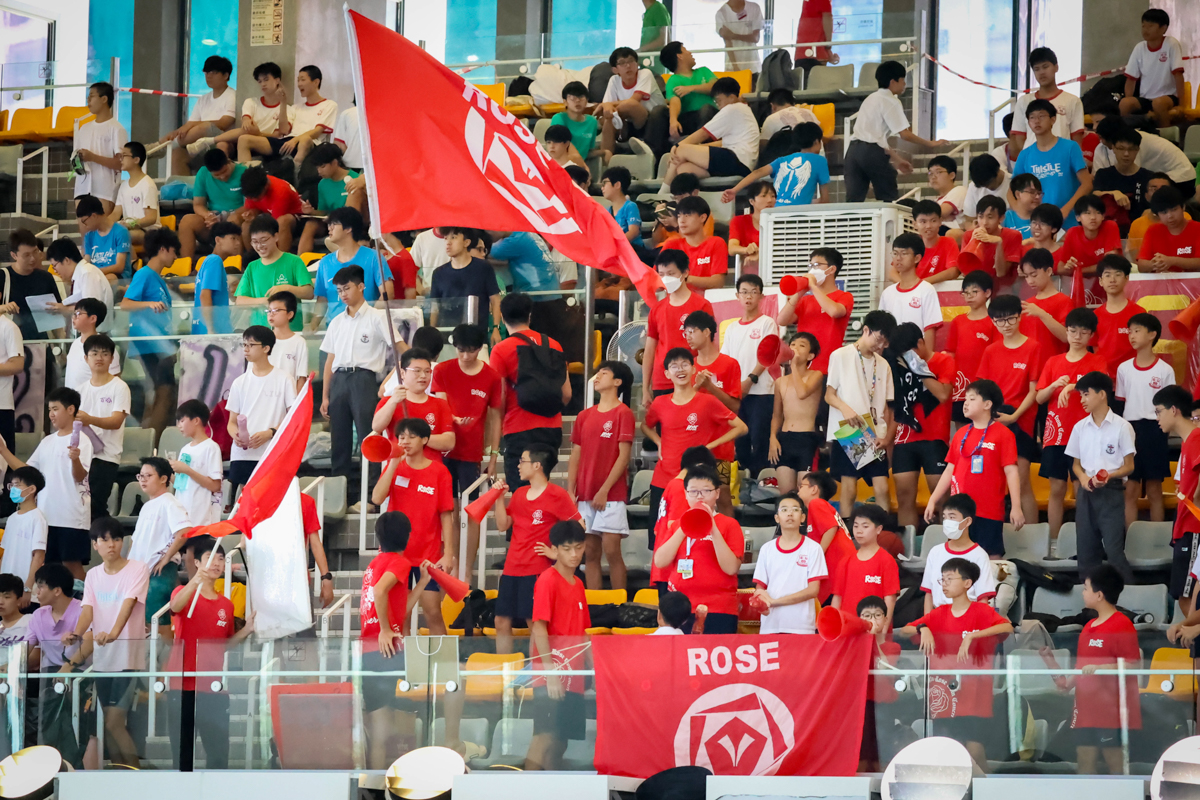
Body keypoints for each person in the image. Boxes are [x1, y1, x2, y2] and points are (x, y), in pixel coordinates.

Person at [898, 557, 1013, 772]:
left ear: (967, 583)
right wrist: (923, 628)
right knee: (948, 751)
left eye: (950, 579)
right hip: (945, 695)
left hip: (974, 693)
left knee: (975, 750)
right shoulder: (939, 613)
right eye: (942, 580)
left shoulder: (981, 611)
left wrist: (973, 636)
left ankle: (983, 788)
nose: (944, 584)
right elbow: (905, 630)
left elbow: (1007, 628)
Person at [68, 517, 149, 769]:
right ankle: (119, 775)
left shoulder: (137, 569)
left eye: (116, 539)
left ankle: (135, 775)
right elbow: (88, 610)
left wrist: (113, 633)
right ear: (95, 545)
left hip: (128, 658)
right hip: (103, 660)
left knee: (114, 721)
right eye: (104, 539)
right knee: (109, 723)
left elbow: (129, 603)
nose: (111, 544)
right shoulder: (93, 575)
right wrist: (76, 633)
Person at [166, 537, 253, 770]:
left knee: (218, 757)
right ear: (196, 562)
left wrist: (247, 630)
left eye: (221, 558)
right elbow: (175, 606)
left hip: (214, 689)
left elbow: (222, 644)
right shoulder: (182, 592)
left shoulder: (226, 605)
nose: (216, 563)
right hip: (182, 687)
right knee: (182, 758)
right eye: (210, 557)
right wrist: (195, 582)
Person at [1047, 564, 1142, 775]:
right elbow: (1080, 669)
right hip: (1085, 709)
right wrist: (1054, 667)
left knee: (1115, 763)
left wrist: (1100, 668)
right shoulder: (1088, 627)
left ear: (1099, 595)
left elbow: (1133, 664)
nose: (1082, 592)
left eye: (1086, 588)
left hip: (1111, 710)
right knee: (1084, 761)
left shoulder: (1122, 624)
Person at [643, 349, 746, 537]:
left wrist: (709, 447)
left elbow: (741, 427)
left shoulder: (708, 401)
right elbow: (645, 426)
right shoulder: (659, 403)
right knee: (659, 538)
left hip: (696, 484)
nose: (680, 369)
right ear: (667, 374)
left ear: (693, 369)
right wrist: (659, 442)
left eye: (685, 364)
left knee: (695, 538)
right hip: (663, 479)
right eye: (674, 366)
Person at [492, 446, 581, 653]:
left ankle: (540, 668)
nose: (518, 466)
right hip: (512, 566)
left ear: (537, 465)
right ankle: (506, 669)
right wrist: (499, 498)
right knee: (501, 621)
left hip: (536, 569)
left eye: (522, 461)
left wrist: (556, 553)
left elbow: (578, 527)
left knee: (534, 623)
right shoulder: (519, 493)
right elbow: (503, 525)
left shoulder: (557, 494)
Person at [430, 324, 502, 581]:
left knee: (471, 513)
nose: (465, 356)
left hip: (471, 454)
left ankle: (467, 570)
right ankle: (450, 565)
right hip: (444, 451)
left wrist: (493, 456)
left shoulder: (491, 377)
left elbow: (495, 418)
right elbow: (439, 406)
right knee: (448, 511)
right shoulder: (442, 370)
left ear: (480, 349)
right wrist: (454, 419)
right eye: (460, 350)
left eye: (470, 351)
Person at [320, 266, 396, 506]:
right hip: (339, 380)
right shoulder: (336, 322)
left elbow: (399, 350)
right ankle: (338, 499)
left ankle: (371, 497)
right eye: (339, 290)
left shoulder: (377, 317)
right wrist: (325, 396)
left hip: (364, 379)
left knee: (368, 437)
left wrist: (388, 381)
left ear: (361, 286)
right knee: (339, 441)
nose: (343, 294)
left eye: (347, 288)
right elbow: (330, 361)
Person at [371, 419, 455, 636]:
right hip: (397, 555)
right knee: (401, 615)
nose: (405, 441)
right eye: (401, 437)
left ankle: (443, 658)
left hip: (429, 553)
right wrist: (392, 464)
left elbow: (446, 514)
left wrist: (448, 553)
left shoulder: (439, 472)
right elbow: (377, 498)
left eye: (411, 437)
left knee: (433, 612)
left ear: (425, 440)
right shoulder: (394, 467)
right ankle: (404, 657)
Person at [359, 512, 429, 769]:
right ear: (407, 537)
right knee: (395, 729)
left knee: (380, 733)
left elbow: (401, 610)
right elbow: (380, 591)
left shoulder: (374, 564)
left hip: (368, 653)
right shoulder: (399, 562)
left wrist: (422, 583)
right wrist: (386, 630)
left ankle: (375, 785)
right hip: (387, 652)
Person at [0, 388, 92, 582]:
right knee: (48, 566)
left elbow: (80, 477)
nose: (51, 414)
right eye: (49, 409)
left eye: (55, 409)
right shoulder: (47, 442)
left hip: (71, 516)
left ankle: (87, 599)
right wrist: (3, 450)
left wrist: (75, 459)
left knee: (71, 564)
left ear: (70, 409)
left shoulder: (83, 441)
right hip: (46, 514)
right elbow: (27, 472)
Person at [925, 382, 1024, 556]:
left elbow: (1011, 472)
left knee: (991, 556)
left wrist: (1016, 506)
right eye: (965, 399)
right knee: (959, 556)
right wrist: (933, 500)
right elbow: (949, 470)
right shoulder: (960, 434)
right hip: (960, 511)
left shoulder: (1004, 434)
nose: (965, 403)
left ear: (987, 404)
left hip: (989, 510)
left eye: (972, 399)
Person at [1035, 307, 1107, 540]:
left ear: (1091, 335)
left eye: (1083, 332)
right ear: (1066, 332)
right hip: (1056, 434)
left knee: (1082, 489)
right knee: (1056, 488)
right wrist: (1054, 385)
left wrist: (1073, 386)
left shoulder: (1096, 361)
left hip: (1086, 434)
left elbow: (1103, 390)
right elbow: (1039, 398)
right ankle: (1054, 542)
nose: (1077, 336)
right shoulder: (1053, 362)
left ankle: (1084, 540)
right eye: (1073, 331)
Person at [525, 519, 590, 770]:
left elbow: (583, 634)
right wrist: (550, 672)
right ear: (555, 549)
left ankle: (550, 787)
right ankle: (524, 787)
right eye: (567, 548)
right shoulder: (547, 580)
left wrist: (596, 669)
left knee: (561, 741)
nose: (574, 554)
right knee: (544, 736)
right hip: (551, 673)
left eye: (578, 547)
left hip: (574, 674)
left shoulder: (579, 584)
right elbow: (539, 627)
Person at [489, 293, 571, 489]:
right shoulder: (554, 345)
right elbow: (567, 393)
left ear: (502, 317)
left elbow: (498, 400)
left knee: (521, 493)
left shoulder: (501, 350)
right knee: (542, 488)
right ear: (529, 315)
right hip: (551, 428)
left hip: (518, 428)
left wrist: (494, 445)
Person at [568, 361, 635, 591]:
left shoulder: (623, 413)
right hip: (585, 493)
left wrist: (604, 490)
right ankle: (595, 604)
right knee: (590, 552)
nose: (597, 377)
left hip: (611, 494)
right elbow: (576, 454)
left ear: (617, 382)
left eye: (603, 373)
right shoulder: (584, 415)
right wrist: (571, 489)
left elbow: (623, 456)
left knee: (612, 551)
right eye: (597, 373)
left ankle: (620, 603)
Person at [975, 294, 1040, 528]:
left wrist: (1014, 416)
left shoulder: (1033, 347)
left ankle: (1032, 537)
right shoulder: (990, 351)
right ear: (993, 322)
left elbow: (1034, 390)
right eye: (1000, 321)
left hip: (1021, 421)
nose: (1006, 325)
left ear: (1020, 317)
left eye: (1011, 318)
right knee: (993, 483)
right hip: (994, 422)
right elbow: (982, 390)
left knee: (1021, 482)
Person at [654, 465, 743, 634]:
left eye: (706, 491)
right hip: (681, 609)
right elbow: (660, 561)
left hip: (719, 607)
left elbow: (731, 568)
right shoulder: (677, 525)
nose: (700, 496)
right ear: (686, 494)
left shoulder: (729, 524)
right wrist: (686, 525)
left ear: (717, 493)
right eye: (693, 491)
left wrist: (711, 526)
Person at [825, 309, 896, 517]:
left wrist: (885, 436)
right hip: (851, 429)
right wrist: (845, 408)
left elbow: (888, 406)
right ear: (866, 330)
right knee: (849, 488)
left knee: (882, 487)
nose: (880, 346)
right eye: (879, 339)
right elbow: (829, 395)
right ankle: (847, 529)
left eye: (885, 343)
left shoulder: (883, 364)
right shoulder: (840, 355)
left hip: (874, 431)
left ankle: (883, 529)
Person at [844, 61, 947, 203]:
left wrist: (897, 159)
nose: (904, 84)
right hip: (870, 152)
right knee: (888, 196)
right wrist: (930, 143)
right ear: (893, 82)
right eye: (902, 80)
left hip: (852, 152)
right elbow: (905, 134)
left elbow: (875, 138)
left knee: (853, 201)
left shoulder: (870, 98)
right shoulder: (891, 101)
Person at [1067, 371, 1136, 581]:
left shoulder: (1122, 426)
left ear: (1102, 394)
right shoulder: (1079, 427)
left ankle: (1128, 595)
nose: (1082, 400)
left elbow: (1129, 466)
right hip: (1086, 492)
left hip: (1111, 491)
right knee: (1086, 551)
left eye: (1086, 394)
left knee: (1114, 552)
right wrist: (1083, 479)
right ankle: (1089, 597)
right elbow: (1076, 465)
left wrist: (1109, 476)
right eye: (1081, 395)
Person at [889, 323, 954, 529]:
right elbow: (895, 405)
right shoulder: (899, 365)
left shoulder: (944, 360)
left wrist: (921, 370)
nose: (908, 358)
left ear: (920, 342)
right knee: (904, 496)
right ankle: (908, 545)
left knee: (941, 496)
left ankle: (947, 542)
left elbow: (943, 394)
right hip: (905, 436)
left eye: (910, 352)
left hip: (934, 438)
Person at [226, 326, 297, 501]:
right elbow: (231, 422)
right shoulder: (239, 382)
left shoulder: (284, 379)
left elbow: (293, 418)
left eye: (251, 345)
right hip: (243, 454)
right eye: (244, 345)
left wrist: (270, 433)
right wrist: (236, 435)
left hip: (272, 451)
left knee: (270, 500)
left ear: (266, 348)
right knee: (244, 502)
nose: (246, 349)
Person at [1116, 313, 1174, 526]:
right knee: (1130, 488)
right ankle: (1129, 539)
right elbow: (1121, 402)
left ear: (1152, 335)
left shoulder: (1165, 370)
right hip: (1130, 430)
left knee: (1154, 489)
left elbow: (1169, 408)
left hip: (1155, 430)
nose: (1131, 335)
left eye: (1137, 331)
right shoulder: (1124, 369)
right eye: (1130, 331)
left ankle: (1157, 538)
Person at [684, 310, 741, 515]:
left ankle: (728, 533)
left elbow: (735, 407)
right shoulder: (687, 367)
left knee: (723, 495)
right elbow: (682, 405)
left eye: (692, 331)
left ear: (707, 332)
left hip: (721, 444)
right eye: (685, 333)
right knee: (692, 496)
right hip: (692, 443)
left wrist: (710, 387)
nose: (688, 337)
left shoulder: (729, 364)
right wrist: (697, 387)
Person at [721, 275, 779, 477]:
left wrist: (749, 380)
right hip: (737, 394)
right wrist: (732, 387)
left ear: (761, 296)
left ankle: (761, 482)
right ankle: (743, 484)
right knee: (740, 442)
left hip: (761, 392)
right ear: (737, 296)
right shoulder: (732, 328)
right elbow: (726, 361)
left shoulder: (767, 323)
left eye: (754, 292)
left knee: (759, 440)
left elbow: (768, 355)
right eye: (744, 292)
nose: (748, 296)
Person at [641, 250, 714, 409]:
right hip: (663, 380)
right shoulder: (656, 310)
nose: (665, 278)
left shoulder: (702, 305)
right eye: (661, 274)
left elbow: (709, 346)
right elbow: (650, 350)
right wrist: (645, 388)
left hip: (692, 379)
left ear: (685, 273)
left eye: (671, 273)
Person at [127, 457, 192, 629]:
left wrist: (166, 558)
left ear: (163, 478)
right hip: (140, 571)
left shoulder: (170, 503)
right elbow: (135, 540)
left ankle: (171, 648)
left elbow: (184, 531)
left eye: (148, 476)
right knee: (142, 622)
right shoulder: (146, 506)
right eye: (140, 476)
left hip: (159, 570)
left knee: (159, 622)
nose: (143, 480)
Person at [659, 77, 758, 186]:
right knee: (683, 169)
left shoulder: (732, 109)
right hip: (741, 165)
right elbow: (723, 143)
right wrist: (694, 148)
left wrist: (677, 146)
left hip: (738, 160)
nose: (718, 105)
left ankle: (662, 193)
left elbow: (703, 133)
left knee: (681, 150)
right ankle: (683, 194)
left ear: (731, 98)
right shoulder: (743, 110)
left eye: (719, 101)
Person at [752, 492, 827, 634]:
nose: (790, 514)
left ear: (803, 517)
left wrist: (775, 602)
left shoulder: (813, 548)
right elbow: (760, 588)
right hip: (771, 625)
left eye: (795, 509)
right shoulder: (767, 549)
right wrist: (760, 601)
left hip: (801, 626)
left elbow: (813, 590)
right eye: (784, 509)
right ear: (777, 518)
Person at [1154, 386, 1200, 617]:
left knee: (1187, 596)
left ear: (1173, 410)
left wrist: (1196, 503)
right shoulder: (1187, 441)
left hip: (1194, 526)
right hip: (1184, 524)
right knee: (1184, 597)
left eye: (1159, 411)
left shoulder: (1196, 438)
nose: (1157, 418)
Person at [76, 334, 131, 524]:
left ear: (112, 358)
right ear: (86, 358)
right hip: (82, 455)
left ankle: (106, 538)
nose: (99, 357)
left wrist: (89, 419)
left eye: (105, 353)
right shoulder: (80, 390)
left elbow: (116, 421)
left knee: (96, 505)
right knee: (80, 506)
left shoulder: (120, 387)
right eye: (94, 353)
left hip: (106, 455)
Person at [1013, 99, 1091, 229]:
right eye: (1032, 117)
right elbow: (1012, 190)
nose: (1036, 121)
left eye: (1041, 116)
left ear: (1053, 119)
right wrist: (1021, 213)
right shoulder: (1025, 155)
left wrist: (1065, 210)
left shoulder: (1070, 147)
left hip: (1070, 223)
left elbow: (1087, 184)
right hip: (1039, 226)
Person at [237, 64, 337, 165]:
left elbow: (317, 131)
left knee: (305, 139)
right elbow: (284, 130)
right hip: (287, 141)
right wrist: (283, 102)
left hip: (311, 143)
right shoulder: (295, 107)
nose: (299, 84)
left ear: (316, 82)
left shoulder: (329, 105)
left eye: (303, 80)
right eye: (298, 80)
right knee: (244, 139)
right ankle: (246, 173)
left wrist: (295, 140)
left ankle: (296, 169)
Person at [374, 348, 455, 468]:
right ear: (402, 374)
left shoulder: (440, 404)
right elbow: (376, 426)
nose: (423, 376)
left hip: (431, 470)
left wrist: (419, 439)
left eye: (427, 371)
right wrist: (393, 401)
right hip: (398, 469)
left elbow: (449, 442)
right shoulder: (389, 401)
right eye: (417, 371)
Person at [777, 247, 853, 375]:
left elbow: (834, 311)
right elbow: (781, 320)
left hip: (830, 368)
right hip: (803, 368)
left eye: (817, 265)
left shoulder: (844, 296)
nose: (812, 270)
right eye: (811, 265)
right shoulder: (805, 300)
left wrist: (813, 287)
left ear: (832, 269)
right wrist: (800, 292)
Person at [311, 207, 388, 327]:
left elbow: (387, 293)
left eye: (334, 224)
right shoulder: (325, 263)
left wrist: (370, 319)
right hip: (336, 329)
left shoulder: (373, 257)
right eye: (329, 224)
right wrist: (312, 326)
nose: (329, 228)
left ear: (348, 228)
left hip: (366, 327)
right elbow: (322, 300)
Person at [721, 122, 829, 207]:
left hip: (774, 212)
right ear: (816, 141)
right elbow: (824, 200)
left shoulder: (783, 159)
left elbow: (757, 172)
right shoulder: (820, 161)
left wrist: (734, 190)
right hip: (797, 217)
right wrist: (806, 202)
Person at [235, 214, 313, 330]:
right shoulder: (252, 267)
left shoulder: (294, 261)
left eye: (264, 240)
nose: (259, 246)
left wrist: (286, 288)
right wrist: (264, 302)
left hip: (289, 331)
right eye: (255, 242)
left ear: (276, 236)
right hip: (260, 331)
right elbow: (240, 300)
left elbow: (309, 292)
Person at [160, 55, 236, 173]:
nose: (208, 76)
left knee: (205, 127)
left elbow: (224, 123)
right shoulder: (203, 99)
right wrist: (177, 132)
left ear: (226, 75)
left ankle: (165, 146)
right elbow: (190, 124)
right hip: (200, 144)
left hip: (223, 140)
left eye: (213, 72)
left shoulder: (232, 95)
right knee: (177, 155)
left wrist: (193, 126)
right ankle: (183, 185)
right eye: (206, 73)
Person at [769, 332, 822, 494]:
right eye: (792, 345)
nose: (795, 348)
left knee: (806, 492)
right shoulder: (780, 382)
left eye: (802, 345)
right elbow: (777, 415)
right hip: (785, 439)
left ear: (810, 355)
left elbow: (802, 392)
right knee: (786, 493)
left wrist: (794, 366)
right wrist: (773, 438)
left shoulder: (816, 375)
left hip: (806, 439)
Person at [428, 227, 502, 341]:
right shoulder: (439, 273)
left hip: (477, 336)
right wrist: (432, 332)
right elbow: (435, 307)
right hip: (447, 335)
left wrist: (496, 328)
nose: (448, 243)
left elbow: (495, 299)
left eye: (453, 238)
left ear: (466, 242)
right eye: (446, 238)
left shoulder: (483, 268)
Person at [832, 503, 900, 625]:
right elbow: (837, 598)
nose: (859, 531)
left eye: (865, 526)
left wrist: (883, 630)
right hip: (847, 629)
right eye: (856, 526)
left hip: (874, 629)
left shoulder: (886, 560)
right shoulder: (845, 561)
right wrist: (834, 626)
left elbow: (890, 599)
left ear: (878, 529)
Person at [1009, 47, 1085, 152]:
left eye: (1045, 67)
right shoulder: (1023, 101)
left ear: (1056, 67)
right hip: (1033, 159)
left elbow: (1077, 140)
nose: (1041, 72)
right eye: (1037, 69)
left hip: (1061, 158)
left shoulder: (1072, 101)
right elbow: (1019, 137)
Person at [1119, 8, 1184, 127]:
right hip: (1146, 99)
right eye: (1143, 26)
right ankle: (1128, 133)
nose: (1145, 30)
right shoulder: (1139, 48)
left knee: (1158, 104)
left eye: (1150, 26)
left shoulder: (1171, 44)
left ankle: (1165, 133)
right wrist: (1129, 98)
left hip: (1168, 97)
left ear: (1163, 28)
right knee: (1125, 103)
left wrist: (1181, 104)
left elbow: (1178, 75)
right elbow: (1131, 79)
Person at [946, 270, 997, 422]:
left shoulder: (994, 322)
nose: (969, 296)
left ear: (987, 293)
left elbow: (997, 356)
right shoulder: (958, 321)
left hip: (983, 384)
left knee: (983, 425)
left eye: (974, 292)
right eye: (966, 293)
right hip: (960, 386)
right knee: (961, 426)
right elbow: (950, 353)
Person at [597, 47, 666, 155]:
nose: (628, 66)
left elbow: (634, 100)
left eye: (631, 61)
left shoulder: (645, 73)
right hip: (628, 123)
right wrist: (607, 108)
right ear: (615, 70)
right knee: (608, 117)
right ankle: (606, 159)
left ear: (637, 64)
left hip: (652, 120)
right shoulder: (614, 80)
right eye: (622, 63)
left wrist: (607, 105)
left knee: (629, 105)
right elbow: (607, 107)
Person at [72, 82, 126, 216]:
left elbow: (120, 164)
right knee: (84, 227)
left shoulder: (116, 128)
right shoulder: (84, 128)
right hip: (82, 188)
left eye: (92, 96)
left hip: (104, 190)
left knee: (102, 227)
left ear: (104, 99)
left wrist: (93, 157)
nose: (88, 100)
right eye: (88, 96)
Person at [880, 232, 942, 350]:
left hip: (916, 355)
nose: (898, 258)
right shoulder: (887, 293)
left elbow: (930, 331)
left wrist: (926, 360)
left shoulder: (927, 290)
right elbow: (882, 330)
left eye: (904, 253)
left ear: (917, 258)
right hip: (891, 355)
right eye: (895, 253)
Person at [298, 144, 363, 254]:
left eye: (322, 167)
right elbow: (324, 211)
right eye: (317, 167)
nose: (319, 171)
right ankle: (301, 260)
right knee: (310, 225)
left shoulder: (355, 179)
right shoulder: (322, 184)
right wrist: (312, 212)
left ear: (335, 163)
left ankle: (344, 241)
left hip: (351, 223)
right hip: (331, 222)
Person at [1091, 124, 1157, 232]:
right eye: (1121, 149)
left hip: (1141, 230)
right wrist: (1112, 193)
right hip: (1110, 230)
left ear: (1137, 150)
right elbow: (1095, 195)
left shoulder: (1149, 176)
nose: (1126, 154)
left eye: (1131, 149)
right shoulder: (1103, 174)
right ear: (1113, 148)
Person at [168, 399, 222, 529]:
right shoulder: (185, 449)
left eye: (182, 421)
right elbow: (181, 484)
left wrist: (187, 470)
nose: (179, 426)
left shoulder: (211, 447)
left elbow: (215, 485)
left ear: (196, 420)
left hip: (201, 518)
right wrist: (166, 473)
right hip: (183, 515)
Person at [660, 197, 728, 296]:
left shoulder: (716, 243)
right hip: (676, 301)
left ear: (702, 217)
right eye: (679, 216)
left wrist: (685, 278)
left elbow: (718, 282)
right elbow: (657, 279)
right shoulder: (671, 245)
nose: (682, 220)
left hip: (706, 301)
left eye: (687, 215)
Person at [1093, 255, 1144, 377]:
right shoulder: (1095, 316)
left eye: (1117, 274)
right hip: (1104, 379)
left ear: (1126, 278)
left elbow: (1143, 347)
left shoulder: (1138, 312)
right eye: (1107, 275)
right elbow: (1095, 348)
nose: (1112, 280)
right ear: (1100, 281)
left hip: (1132, 377)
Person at [3, 467, 46, 609]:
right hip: (6, 588)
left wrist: (27, 587)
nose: (12, 489)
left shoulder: (37, 519)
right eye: (11, 485)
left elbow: (38, 556)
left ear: (31, 489)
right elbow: (5, 553)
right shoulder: (12, 518)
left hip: (24, 591)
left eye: (17, 485)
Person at [1017, 247, 1071, 357]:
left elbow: (1066, 337)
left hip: (1053, 362)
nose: (1030, 281)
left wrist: (1041, 314)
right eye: (1026, 276)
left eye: (1034, 275)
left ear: (1049, 271)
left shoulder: (1064, 301)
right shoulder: (1027, 304)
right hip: (1030, 362)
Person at [190, 220, 240, 336]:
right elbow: (205, 295)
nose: (238, 243)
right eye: (233, 238)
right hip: (213, 332)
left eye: (238, 239)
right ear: (218, 240)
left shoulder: (209, 261)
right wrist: (211, 329)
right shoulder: (215, 261)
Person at [238, 167, 303, 253]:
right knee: (246, 226)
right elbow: (254, 208)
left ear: (265, 187)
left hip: (296, 220)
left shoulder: (281, 191)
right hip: (269, 216)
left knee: (283, 221)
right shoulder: (252, 187)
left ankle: (280, 258)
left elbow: (274, 225)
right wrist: (252, 214)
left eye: (256, 197)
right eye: (251, 197)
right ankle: (253, 258)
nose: (253, 199)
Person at [660, 42, 717, 140]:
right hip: (689, 119)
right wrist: (673, 120)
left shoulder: (704, 71)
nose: (690, 53)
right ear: (680, 56)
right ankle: (652, 147)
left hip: (711, 117)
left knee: (706, 108)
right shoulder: (673, 80)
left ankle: (698, 143)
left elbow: (716, 87)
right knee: (659, 110)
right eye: (685, 50)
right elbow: (674, 100)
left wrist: (692, 88)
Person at [1136, 187, 1200, 272]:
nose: (1170, 216)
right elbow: (1141, 265)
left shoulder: (1197, 228)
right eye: (1164, 212)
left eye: (1174, 210)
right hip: (1161, 279)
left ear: (1183, 207)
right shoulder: (1153, 231)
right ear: (1157, 215)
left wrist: (1172, 261)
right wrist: (1156, 264)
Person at [959, 196, 1022, 282]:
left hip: (1004, 285)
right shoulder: (969, 235)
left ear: (1001, 218)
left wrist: (999, 243)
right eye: (981, 217)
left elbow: (1001, 273)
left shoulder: (1013, 235)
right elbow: (965, 271)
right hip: (979, 284)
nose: (985, 222)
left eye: (990, 217)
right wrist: (973, 241)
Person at [110, 142, 160, 249]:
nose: (120, 159)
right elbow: (115, 213)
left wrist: (130, 224)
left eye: (124, 156)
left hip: (149, 232)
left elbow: (151, 218)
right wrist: (102, 225)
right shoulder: (123, 186)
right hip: (130, 229)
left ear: (136, 160)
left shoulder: (147, 184)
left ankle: (131, 259)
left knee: (120, 236)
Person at [1057, 195, 1122, 276]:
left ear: (1103, 216)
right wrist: (1068, 268)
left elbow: (1110, 264)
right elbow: (1060, 268)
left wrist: (1078, 271)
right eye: (1087, 213)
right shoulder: (1072, 233)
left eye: (1098, 213)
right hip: (1081, 281)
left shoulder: (1110, 226)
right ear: (1078, 217)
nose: (1093, 217)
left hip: (1108, 280)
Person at [46, 238, 112, 316]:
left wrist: (65, 309)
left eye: (54, 265)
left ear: (66, 260)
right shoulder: (80, 274)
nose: (55, 271)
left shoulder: (87, 273)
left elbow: (91, 309)